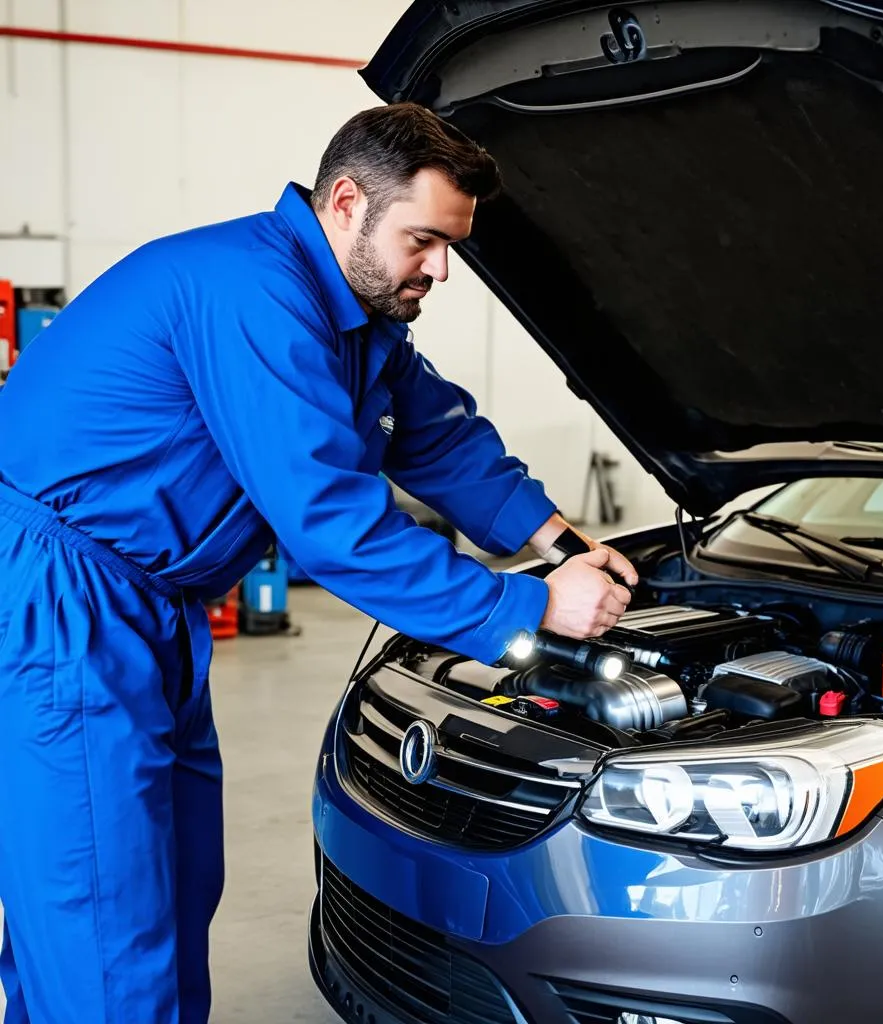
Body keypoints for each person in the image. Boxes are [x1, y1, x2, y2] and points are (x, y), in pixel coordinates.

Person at [0, 103, 638, 1023]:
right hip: (66, 605)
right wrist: (527, 608)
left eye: (451, 244)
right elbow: (330, 522)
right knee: (103, 926)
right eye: (425, 239)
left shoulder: (358, 320)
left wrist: (569, 549)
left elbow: (442, 442)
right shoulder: (254, 292)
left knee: (169, 891)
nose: (442, 268)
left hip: (153, 608)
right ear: (346, 201)